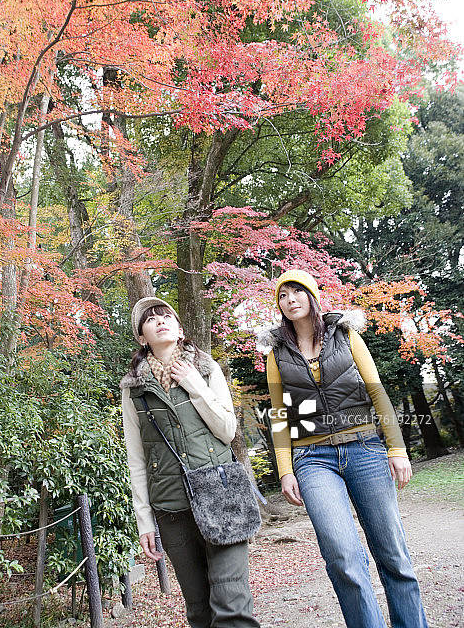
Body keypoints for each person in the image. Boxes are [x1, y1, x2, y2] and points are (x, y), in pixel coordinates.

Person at [258, 269, 428, 628]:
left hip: (365, 448)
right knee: (342, 556)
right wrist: (286, 469)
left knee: (392, 553)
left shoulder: (345, 334)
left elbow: (376, 390)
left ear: (312, 295)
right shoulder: (276, 352)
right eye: (283, 295)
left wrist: (396, 448)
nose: (290, 300)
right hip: (312, 458)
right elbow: (279, 413)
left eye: (297, 292)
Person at [121, 296, 261, 628]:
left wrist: (193, 383)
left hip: (222, 496)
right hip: (171, 509)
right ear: (142, 338)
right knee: (199, 612)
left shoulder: (206, 368)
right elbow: (136, 457)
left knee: (232, 607)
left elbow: (227, 430)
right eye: (150, 319)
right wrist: (144, 521)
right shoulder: (134, 389)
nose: (159, 320)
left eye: (165, 314)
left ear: (180, 329)